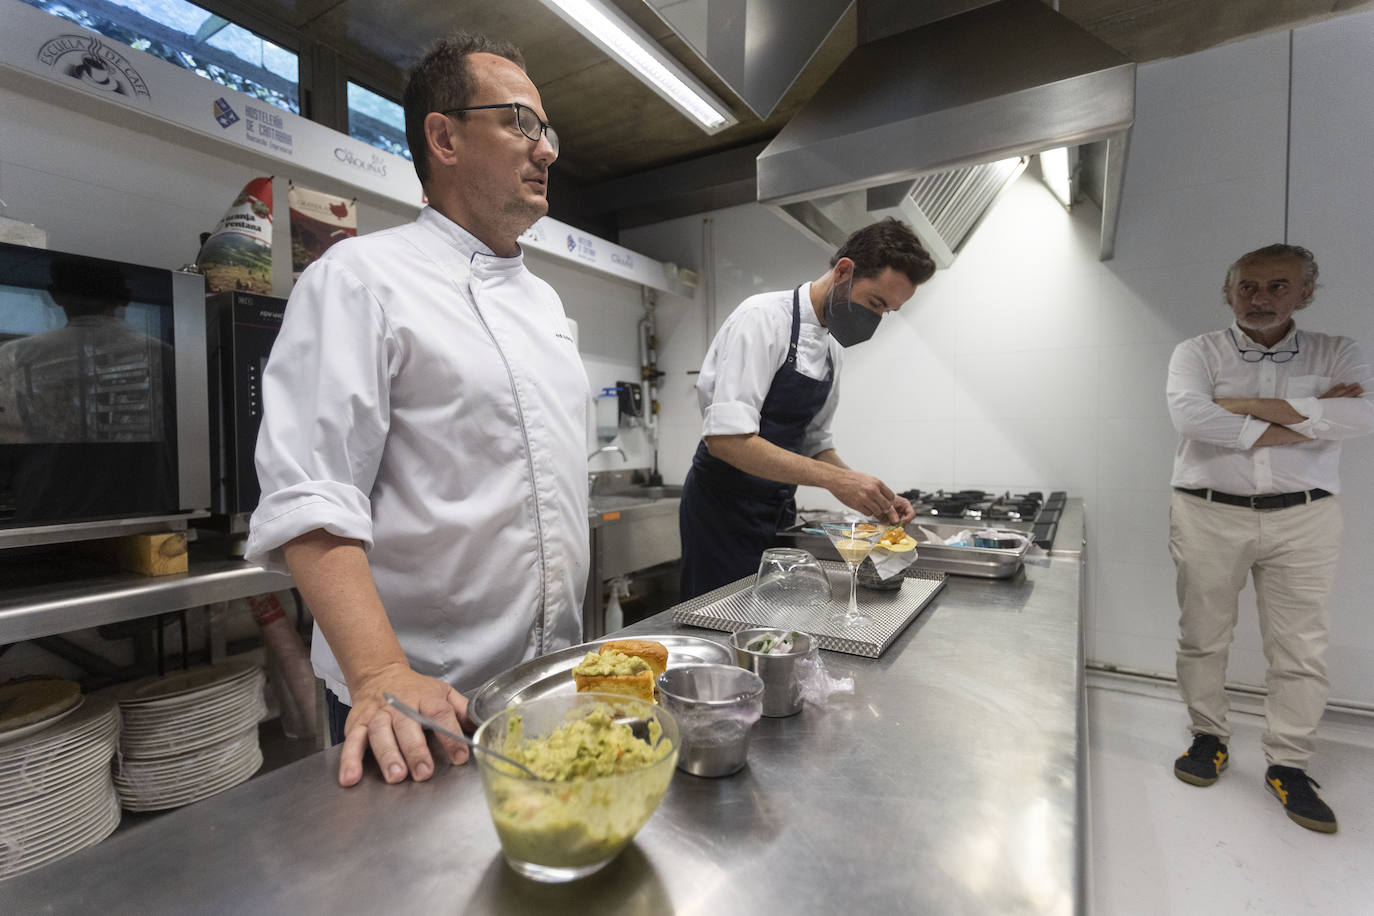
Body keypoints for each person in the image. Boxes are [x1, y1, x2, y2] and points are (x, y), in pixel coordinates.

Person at [245, 32, 587, 788]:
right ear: (444, 136)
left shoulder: (547, 304)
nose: (547, 150)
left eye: (547, 131)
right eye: (521, 124)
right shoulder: (362, 279)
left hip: (544, 687)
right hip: (421, 708)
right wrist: (379, 673)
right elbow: (310, 495)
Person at [1166, 243, 1374, 833]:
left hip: (1304, 516)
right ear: (1228, 293)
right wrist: (1309, 417)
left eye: (1278, 286)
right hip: (1208, 512)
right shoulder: (1196, 353)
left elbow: (1364, 416)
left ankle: (1289, 763)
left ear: (1305, 292)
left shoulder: (1339, 352)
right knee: (1202, 635)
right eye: (1249, 287)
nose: (1262, 298)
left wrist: (1239, 411)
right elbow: (1192, 419)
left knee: (1300, 647)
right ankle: (1208, 738)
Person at [679, 218, 936, 599]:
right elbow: (727, 441)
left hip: (777, 510)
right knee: (720, 620)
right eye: (875, 303)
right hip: (722, 511)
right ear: (845, 271)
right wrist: (836, 481)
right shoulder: (763, 318)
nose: (875, 319)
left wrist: (864, 491)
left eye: (887, 312)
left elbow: (814, 442)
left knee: (771, 623)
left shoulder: (832, 350)